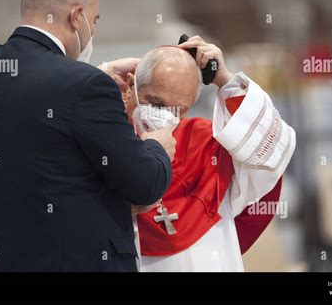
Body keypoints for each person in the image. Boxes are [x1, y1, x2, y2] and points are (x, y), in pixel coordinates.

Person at [0, 0, 175, 272]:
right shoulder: (84, 86)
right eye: (94, 20)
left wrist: (96, 77)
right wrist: (156, 146)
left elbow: (34, 114)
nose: (93, 30)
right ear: (76, 17)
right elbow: (144, 184)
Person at [124, 38, 296, 271]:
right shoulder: (108, 142)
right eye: (154, 102)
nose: (163, 117)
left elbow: (269, 156)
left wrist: (226, 81)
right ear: (130, 87)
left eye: (178, 110)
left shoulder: (205, 141)